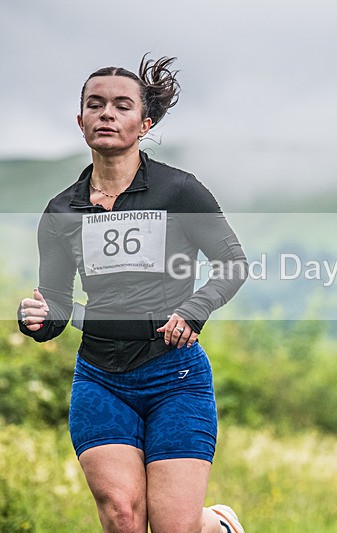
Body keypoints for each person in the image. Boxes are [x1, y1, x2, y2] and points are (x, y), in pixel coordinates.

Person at [17, 55, 247, 533]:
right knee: (123, 515)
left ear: (144, 124)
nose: (106, 113)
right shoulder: (62, 210)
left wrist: (194, 309)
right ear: (80, 120)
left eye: (122, 106)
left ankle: (217, 524)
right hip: (100, 377)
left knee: (173, 527)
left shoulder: (180, 192)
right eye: (95, 104)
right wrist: (37, 318)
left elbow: (233, 264)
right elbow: (57, 302)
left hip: (175, 375)